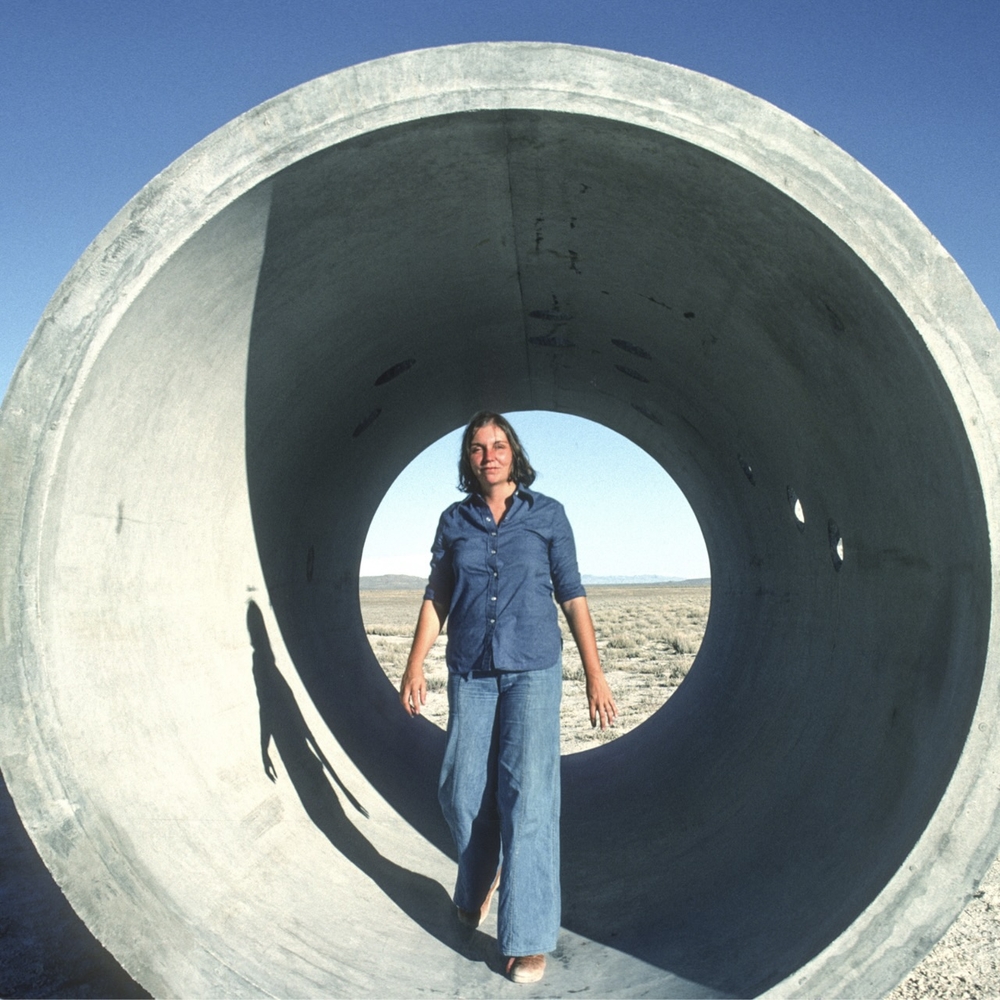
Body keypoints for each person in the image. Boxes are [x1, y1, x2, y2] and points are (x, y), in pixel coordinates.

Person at [399, 411, 617, 985]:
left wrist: (594, 673)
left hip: (533, 672)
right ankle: (480, 879)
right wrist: (414, 663)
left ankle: (527, 937)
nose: (489, 455)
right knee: (461, 789)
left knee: (529, 798)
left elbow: (572, 594)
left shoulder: (548, 515)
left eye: (498, 445)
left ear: (514, 453)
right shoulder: (454, 521)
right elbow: (437, 596)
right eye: (477, 448)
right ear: (467, 461)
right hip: (471, 671)